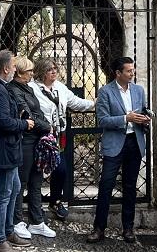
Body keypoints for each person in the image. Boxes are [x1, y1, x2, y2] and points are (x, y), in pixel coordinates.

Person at [86, 56, 151, 244]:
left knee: (130, 187)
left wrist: (144, 119)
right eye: (129, 71)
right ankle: (99, 229)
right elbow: (103, 120)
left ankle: (128, 229)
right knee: (106, 186)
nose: (132, 73)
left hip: (134, 142)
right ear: (118, 73)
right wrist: (126, 118)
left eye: (133, 70)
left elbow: (143, 112)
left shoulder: (139, 90)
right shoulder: (105, 92)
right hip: (114, 144)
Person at [0, 50, 34, 252]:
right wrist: (23, 123)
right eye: (12, 65)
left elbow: (2, 115)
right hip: (3, 151)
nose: (14, 69)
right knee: (3, 195)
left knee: (15, 188)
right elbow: (2, 122)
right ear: (5, 69)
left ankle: (9, 231)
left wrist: (16, 114)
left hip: (6, 150)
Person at [30, 57, 95, 221]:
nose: (53, 72)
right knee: (35, 173)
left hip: (58, 137)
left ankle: (55, 201)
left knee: (61, 170)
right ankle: (35, 209)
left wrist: (94, 103)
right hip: (39, 136)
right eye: (49, 69)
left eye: (55, 69)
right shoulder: (32, 88)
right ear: (41, 72)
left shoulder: (60, 87)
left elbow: (75, 102)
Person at [7, 56, 57, 240]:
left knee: (36, 182)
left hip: (37, 139)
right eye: (29, 71)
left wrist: (46, 125)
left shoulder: (27, 88)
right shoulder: (13, 90)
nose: (32, 74)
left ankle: (37, 222)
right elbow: (27, 115)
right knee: (21, 183)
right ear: (19, 72)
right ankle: (17, 222)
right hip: (25, 141)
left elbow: (37, 113)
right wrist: (47, 127)